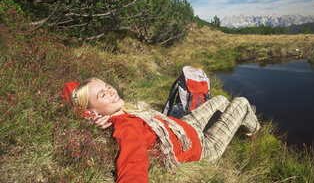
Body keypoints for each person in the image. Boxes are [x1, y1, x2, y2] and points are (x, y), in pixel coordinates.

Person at [67, 77, 260, 183]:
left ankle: (244, 119)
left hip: (184, 127)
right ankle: (255, 130)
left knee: (220, 100)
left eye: (108, 86)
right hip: (202, 147)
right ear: (93, 109)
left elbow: (69, 87)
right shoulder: (126, 127)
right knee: (241, 103)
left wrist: (85, 115)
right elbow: (132, 163)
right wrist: (87, 114)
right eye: (103, 94)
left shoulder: (120, 111)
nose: (111, 92)